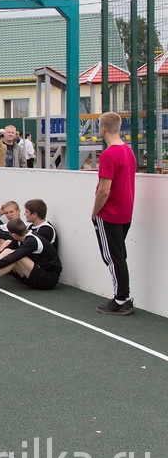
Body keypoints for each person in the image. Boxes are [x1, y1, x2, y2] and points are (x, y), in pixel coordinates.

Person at [91, 111, 136, 315]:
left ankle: (120, 299)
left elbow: (104, 190)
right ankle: (123, 296)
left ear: (103, 129)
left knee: (112, 257)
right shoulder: (128, 151)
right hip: (125, 211)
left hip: (110, 213)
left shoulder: (109, 155)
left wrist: (94, 213)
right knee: (119, 256)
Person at [0, 218, 62, 292]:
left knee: (13, 256)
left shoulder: (31, 241)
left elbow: (13, 257)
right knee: (6, 251)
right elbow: (2, 253)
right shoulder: (18, 239)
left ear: (13, 234)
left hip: (48, 279)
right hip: (36, 273)